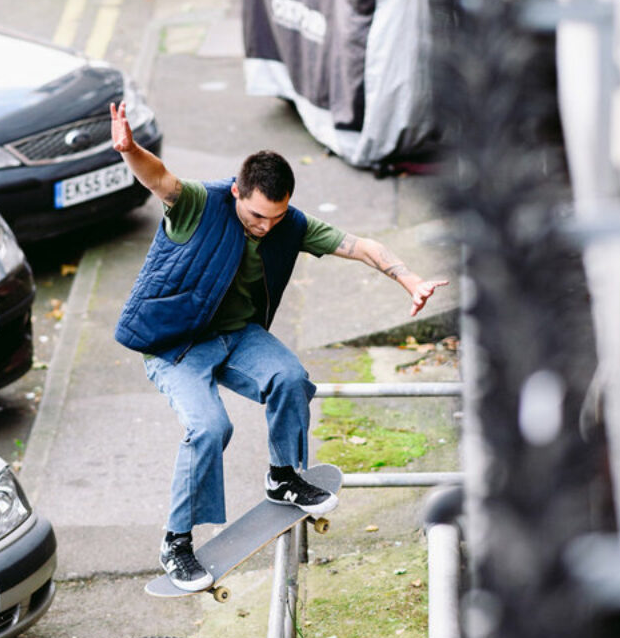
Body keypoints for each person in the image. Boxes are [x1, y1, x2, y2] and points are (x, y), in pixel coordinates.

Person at [110, 101, 449, 590]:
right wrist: (129, 150)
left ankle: (283, 475)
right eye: (256, 215)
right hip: (176, 344)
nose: (265, 226)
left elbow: (361, 246)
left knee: (291, 377)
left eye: (276, 216)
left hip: (237, 336)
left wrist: (409, 278)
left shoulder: (289, 224)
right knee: (209, 427)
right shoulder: (199, 206)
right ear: (236, 192)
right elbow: (159, 177)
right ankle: (176, 542)